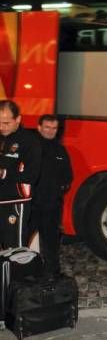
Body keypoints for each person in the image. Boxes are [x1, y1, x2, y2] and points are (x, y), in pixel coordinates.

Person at [31, 114, 73, 276]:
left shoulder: (60, 150)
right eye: (47, 127)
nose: (50, 131)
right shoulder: (31, 148)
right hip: (31, 204)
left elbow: (68, 175)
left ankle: (52, 273)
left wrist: (58, 190)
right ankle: (23, 271)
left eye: (54, 128)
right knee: (25, 239)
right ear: (39, 127)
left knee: (51, 242)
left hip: (52, 205)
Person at [0, 100, 41, 249]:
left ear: (18, 119)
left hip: (15, 202)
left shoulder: (30, 142)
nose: (1, 127)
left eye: (6, 123)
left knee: (14, 249)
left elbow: (32, 176)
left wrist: (4, 173)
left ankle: (16, 273)